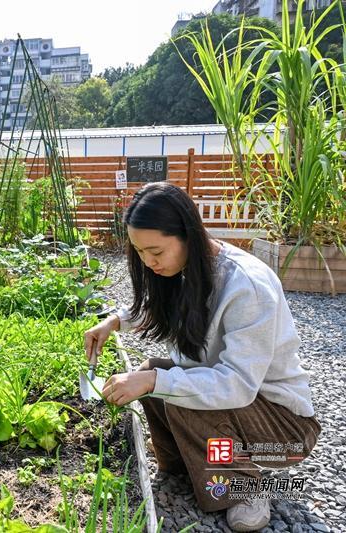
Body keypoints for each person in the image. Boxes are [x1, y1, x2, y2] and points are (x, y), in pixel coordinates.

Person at [84, 182, 320, 532]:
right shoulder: (187, 269)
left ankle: (245, 487)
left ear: (187, 235)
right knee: (157, 375)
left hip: (284, 431)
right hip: (245, 412)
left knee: (172, 388)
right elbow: (161, 309)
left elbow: (237, 385)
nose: (148, 263)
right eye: (139, 251)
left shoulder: (246, 286)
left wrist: (153, 381)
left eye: (156, 251)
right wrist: (115, 321)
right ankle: (190, 464)